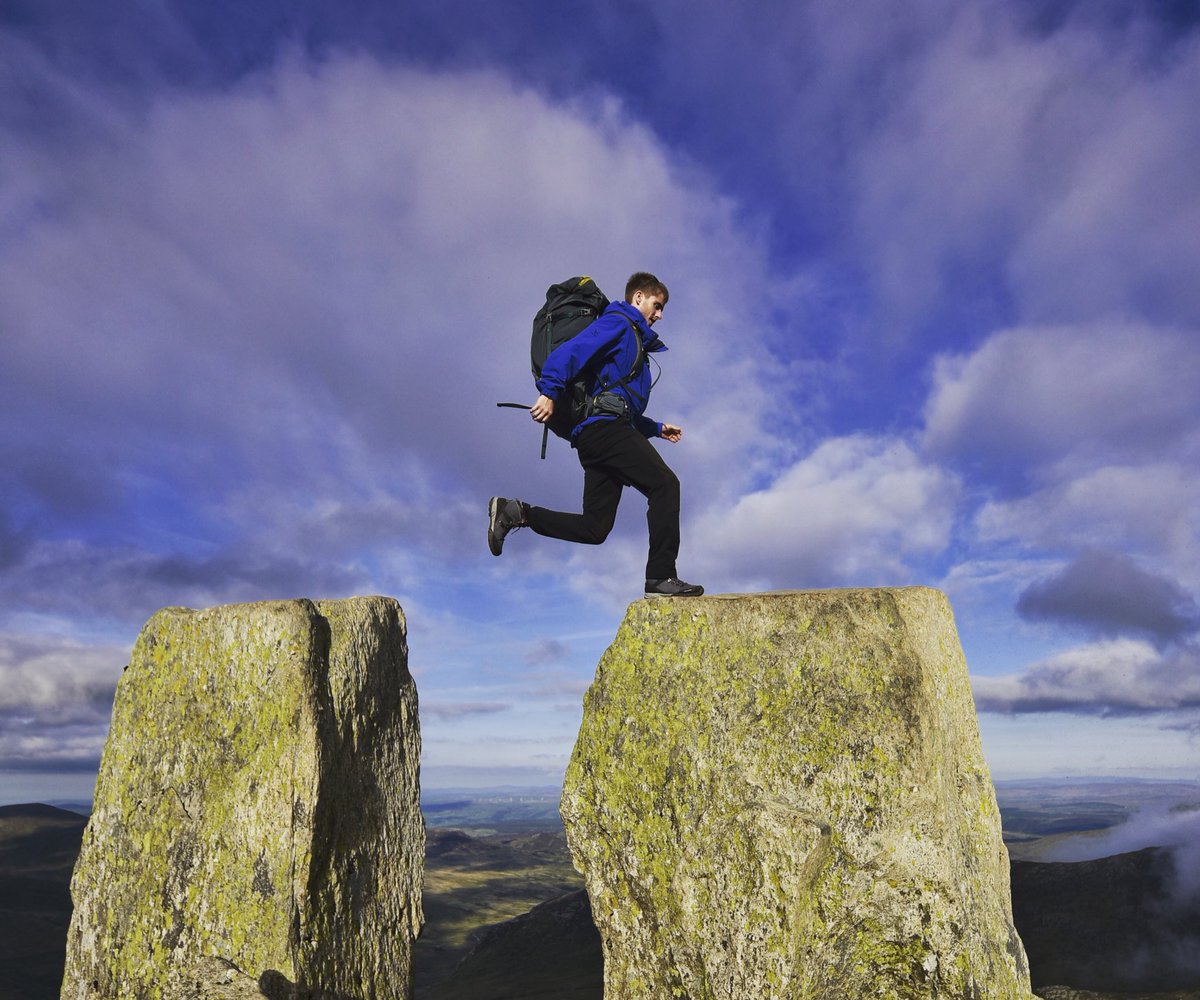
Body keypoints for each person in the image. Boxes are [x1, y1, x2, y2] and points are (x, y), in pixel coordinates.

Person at [488, 272, 703, 597]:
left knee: (595, 528)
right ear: (639, 297)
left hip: (598, 434)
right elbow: (570, 353)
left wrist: (656, 429)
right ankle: (660, 577)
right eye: (657, 306)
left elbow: (618, 405)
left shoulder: (634, 341)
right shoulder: (619, 324)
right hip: (604, 431)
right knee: (665, 484)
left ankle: (516, 512)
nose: (659, 315)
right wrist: (549, 392)